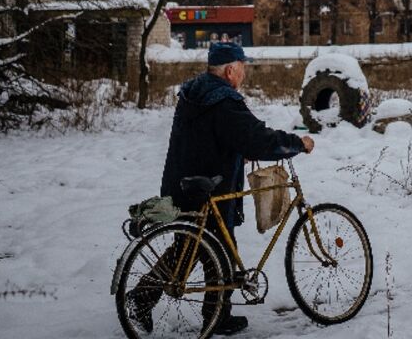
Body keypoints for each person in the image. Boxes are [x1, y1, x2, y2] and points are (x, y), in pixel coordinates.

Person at [134, 41, 313, 337]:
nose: (244, 74)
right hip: (210, 187)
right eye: (242, 67)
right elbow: (257, 137)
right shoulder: (224, 101)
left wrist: (239, 150)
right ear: (230, 70)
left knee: (194, 248)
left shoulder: (195, 93)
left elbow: (211, 135)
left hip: (182, 180)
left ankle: (209, 312)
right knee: (212, 249)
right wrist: (297, 144)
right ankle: (198, 311)